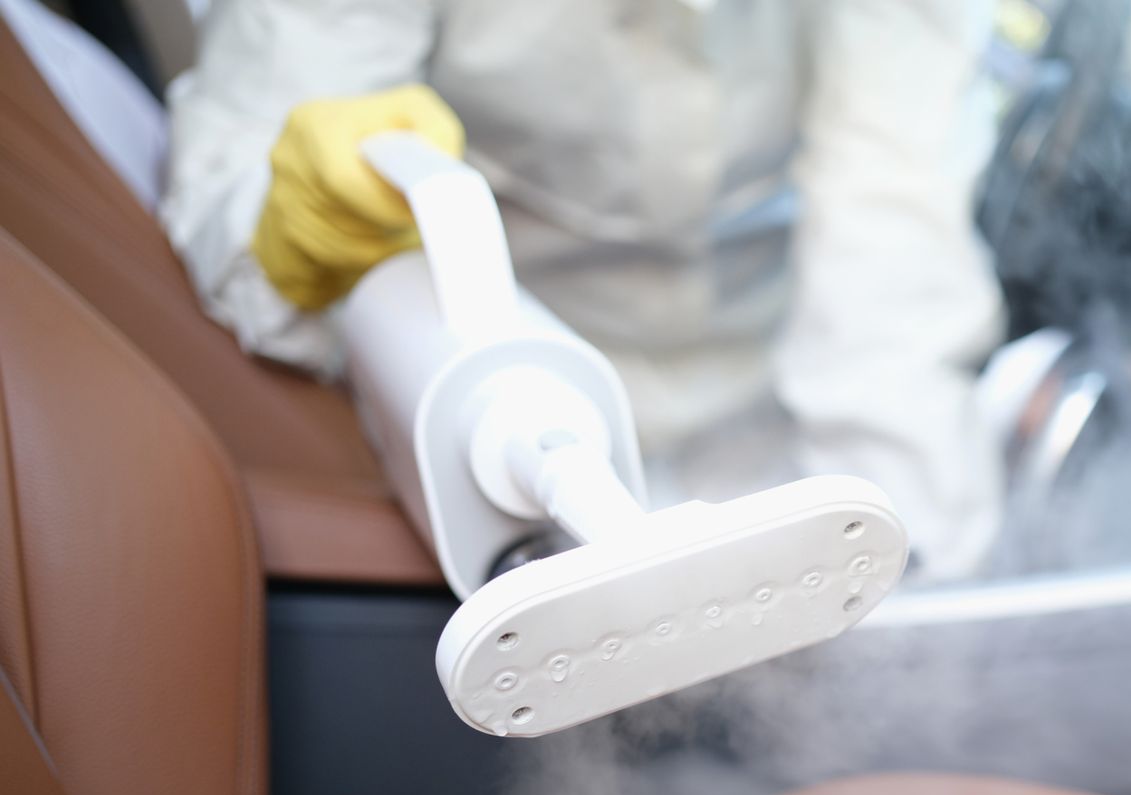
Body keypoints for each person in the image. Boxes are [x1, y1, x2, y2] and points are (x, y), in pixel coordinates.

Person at [163, 0, 1008, 580]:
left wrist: (920, 560)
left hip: (773, 384)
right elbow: (240, 171)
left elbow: (893, 206)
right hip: (497, 398)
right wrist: (296, 230)